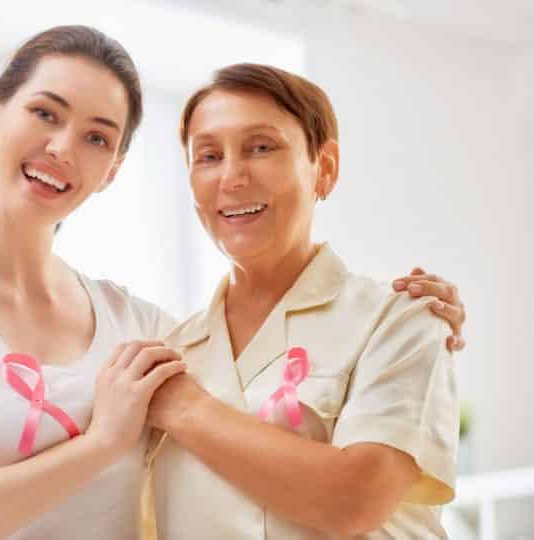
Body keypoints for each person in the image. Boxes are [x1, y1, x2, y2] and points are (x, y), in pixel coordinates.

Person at [0, 27, 466, 540]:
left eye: (97, 136)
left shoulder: (149, 333)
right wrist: (103, 440)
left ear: (113, 168)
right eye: (44, 112)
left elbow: (349, 493)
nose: (63, 147)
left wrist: (412, 315)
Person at [142, 64, 462, 539]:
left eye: (261, 147)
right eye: (208, 155)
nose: (231, 176)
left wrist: (185, 409)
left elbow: (353, 502)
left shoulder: (401, 319)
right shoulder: (168, 350)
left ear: (324, 167)